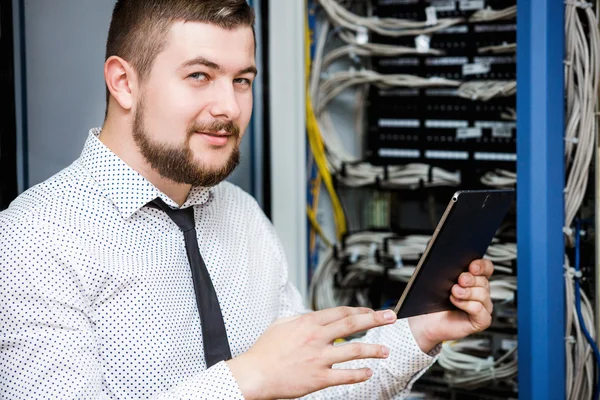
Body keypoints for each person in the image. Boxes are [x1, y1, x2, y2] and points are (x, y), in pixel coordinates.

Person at [0, 1, 495, 399]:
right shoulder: (33, 241)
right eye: (199, 75)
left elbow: (306, 387)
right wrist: (244, 381)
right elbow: (262, 377)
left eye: (242, 80)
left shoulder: (241, 214)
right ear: (124, 82)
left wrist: (422, 332)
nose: (229, 107)